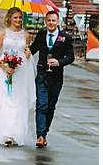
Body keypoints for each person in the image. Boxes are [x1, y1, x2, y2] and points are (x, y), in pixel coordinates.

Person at [0, 7, 37, 146]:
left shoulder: (26, 34)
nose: (18, 20)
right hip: (4, 69)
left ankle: (14, 132)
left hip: (20, 69)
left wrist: (27, 54)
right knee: (6, 97)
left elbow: (26, 50)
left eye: (20, 18)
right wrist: (5, 67)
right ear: (9, 19)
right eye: (15, 18)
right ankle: (6, 133)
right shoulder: (2, 34)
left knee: (18, 98)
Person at [30, 10, 75, 147]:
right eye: (49, 20)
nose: (51, 23)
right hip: (42, 76)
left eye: (53, 21)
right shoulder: (41, 35)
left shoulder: (65, 37)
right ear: (45, 21)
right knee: (41, 105)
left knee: (50, 107)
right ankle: (40, 135)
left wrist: (59, 62)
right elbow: (32, 50)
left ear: (58, 22)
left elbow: (71, 57)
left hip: (56, 78)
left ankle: (45, 133)